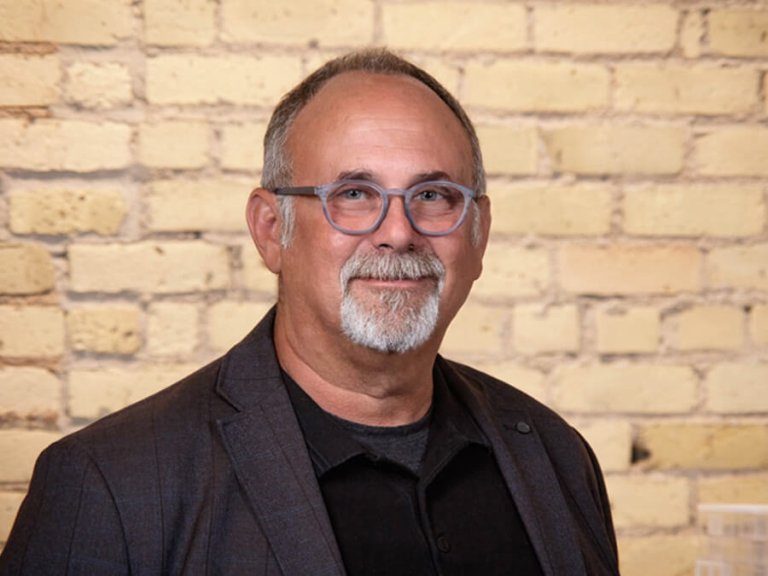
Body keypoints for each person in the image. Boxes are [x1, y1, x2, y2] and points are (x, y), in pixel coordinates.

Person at [0, 49, 619, 575]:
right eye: (354, 194)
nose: (398, 233)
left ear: (478, 234)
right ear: (271, 230)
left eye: (433, 195)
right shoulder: (110, 485)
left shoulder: (556, 456)